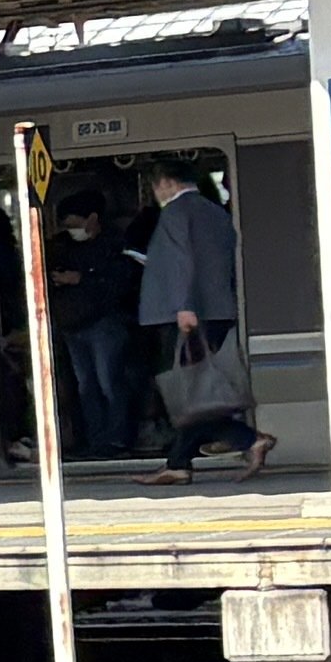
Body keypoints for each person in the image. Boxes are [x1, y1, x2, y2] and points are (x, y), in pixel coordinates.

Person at [140, 159, 270, 481]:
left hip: (186, 315)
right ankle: (178, 464)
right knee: (194, 391)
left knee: (186, 392)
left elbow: (180, 260)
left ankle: (249, 440)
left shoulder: (175, 213)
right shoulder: (216, 212)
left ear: (167, 182)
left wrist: (183, 307)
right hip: (217, 311)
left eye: (156, 186)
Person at [51, 189, 148, 462]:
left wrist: (81, 279)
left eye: (73, 224)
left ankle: (117, 439)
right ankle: (95, 440)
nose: (70, 231)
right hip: (73, 325)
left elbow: (121, 283)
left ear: (92, 218)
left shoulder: (115, 245)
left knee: (109, 382)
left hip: (106, 322)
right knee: (85, 387)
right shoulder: (61, 247)